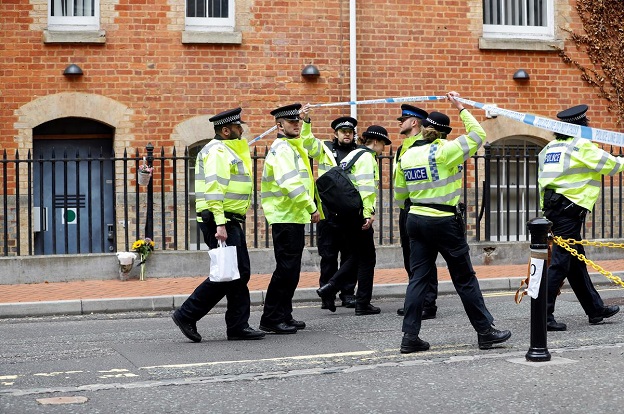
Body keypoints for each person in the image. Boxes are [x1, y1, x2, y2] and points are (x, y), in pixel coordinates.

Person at [395, 92, 511, 353]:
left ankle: (409, 337)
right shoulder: (445, 150)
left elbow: (400, 195)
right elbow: (479, 134)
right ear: (443, 133)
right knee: (464, 278)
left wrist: (416, 208)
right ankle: (485, 332)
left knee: (418, 279)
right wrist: (461, 107)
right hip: (443, 221)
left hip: (415, 219)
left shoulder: (406, 155)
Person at [172, 108, 265, 342]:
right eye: (237, 127)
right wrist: (220, 224)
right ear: (226, 130)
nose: (241, 130)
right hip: (220, 219)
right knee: (229, 272)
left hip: (227, 219)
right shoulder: (217, 151)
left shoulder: (226, 149)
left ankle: (237, 326)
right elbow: (214, 188)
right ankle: (187, 314)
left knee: (237, 273)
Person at [538, 104, 621, 331]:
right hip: (569, 211)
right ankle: (543, 315)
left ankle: (595, 309)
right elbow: (613, 166)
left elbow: (542, 181)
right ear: (582, 126)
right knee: (560, 263)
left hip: (553, 208)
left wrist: (546, 212)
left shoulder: (548, 149)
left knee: (576, 262)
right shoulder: (581, 145)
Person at [259, 103, 322, 334]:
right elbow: (290, 183)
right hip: (285, 216)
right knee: (286, 270)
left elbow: (307, 142)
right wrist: (311, 207)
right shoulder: (283, 149)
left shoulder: (291, 146)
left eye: (297, 121)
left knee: (291, 270)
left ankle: (284, 314)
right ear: (279, 125)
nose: (296, 125)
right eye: (291, 122)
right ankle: (271, 318)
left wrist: (306, 121)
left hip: (291, 216)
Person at [316, 125, 390, 315]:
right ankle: (360, 302)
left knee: (358, 255)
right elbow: (366, 188)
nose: (384, 148)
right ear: (376, 141)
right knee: (367, 258)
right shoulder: (366, 157)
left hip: (344, 214)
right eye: (383, 144)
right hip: (357, 214)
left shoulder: (353, 154)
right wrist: (368, 213)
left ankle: (333, 287)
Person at [307, 116, 359, 309]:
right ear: (335, 134)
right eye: (343, 132)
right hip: (328, 212)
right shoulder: (325, 149)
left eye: (350, 132)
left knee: (349, 255)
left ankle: (347, 293)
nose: (347, 135)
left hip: (350, 213)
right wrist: (306, 122)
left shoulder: (358, 153)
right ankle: (327, 294)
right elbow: (308, 143)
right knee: (328, 256)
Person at [394, 104, 439, 320]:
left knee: (424, 257)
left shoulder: (427, 144)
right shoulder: (402, 148)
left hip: (422, 205)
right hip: (407, 208)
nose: (399, 123)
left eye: (402, 120)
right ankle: (416, 300)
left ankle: (428, 303)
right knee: (410, 257)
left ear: (414, 122)